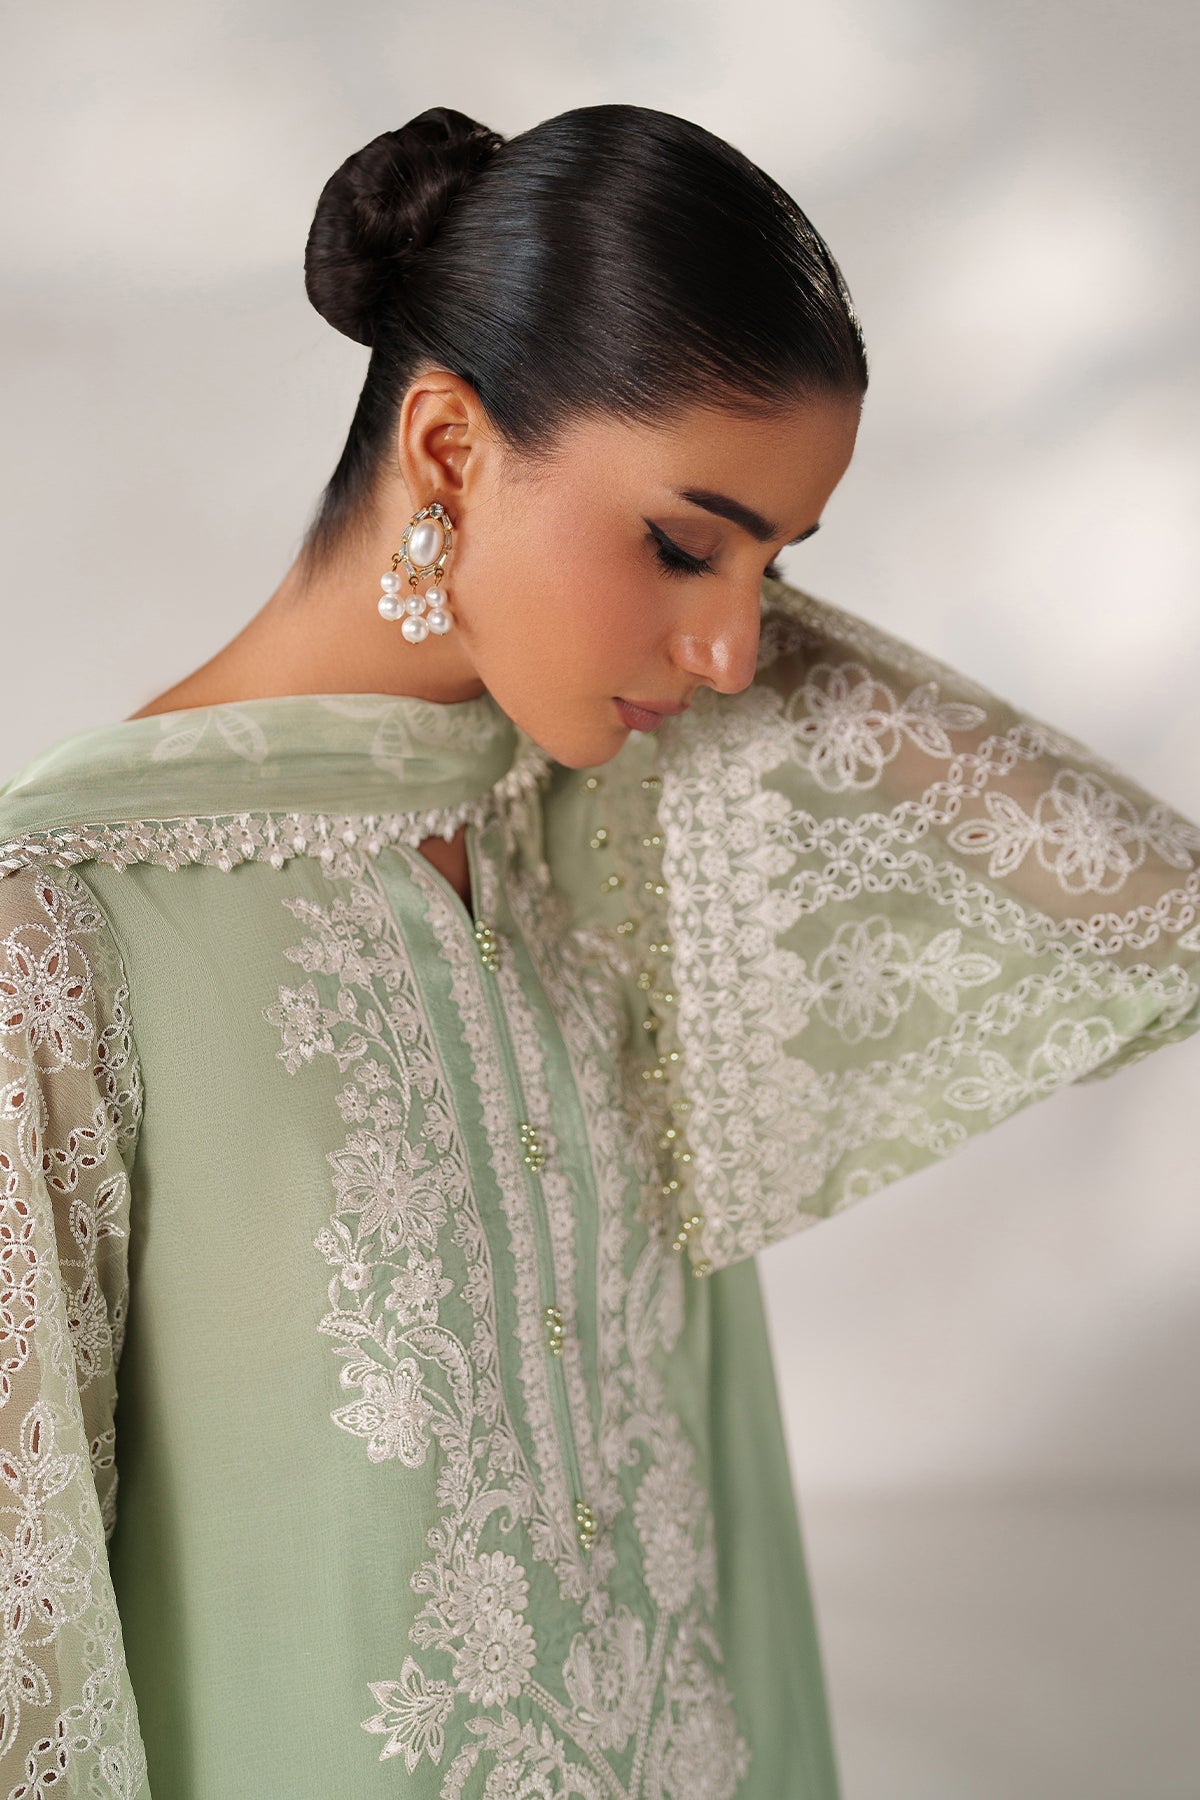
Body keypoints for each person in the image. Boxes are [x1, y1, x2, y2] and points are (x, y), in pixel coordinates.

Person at [0, 102, 1195, 1800]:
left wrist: (698, 585)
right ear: (447, 450)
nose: (735, 656)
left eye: (776, 569)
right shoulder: (62, 938)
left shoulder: (610, 837)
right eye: (683, 543)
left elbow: (1158, 919)